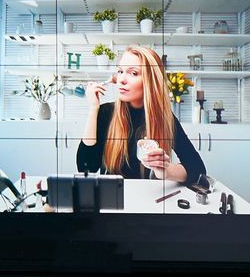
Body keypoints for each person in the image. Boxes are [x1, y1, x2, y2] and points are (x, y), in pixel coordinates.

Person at [76, 44, 207, 186]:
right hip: (113, 198)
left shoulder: (165, 119)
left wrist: (166, 170)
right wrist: (93, 109)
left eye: (133, 73)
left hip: (151, 200)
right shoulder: (105, 113)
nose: (122, 80)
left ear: (150, 81)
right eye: (120, 71)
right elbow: (86, 168)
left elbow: (198, 169)